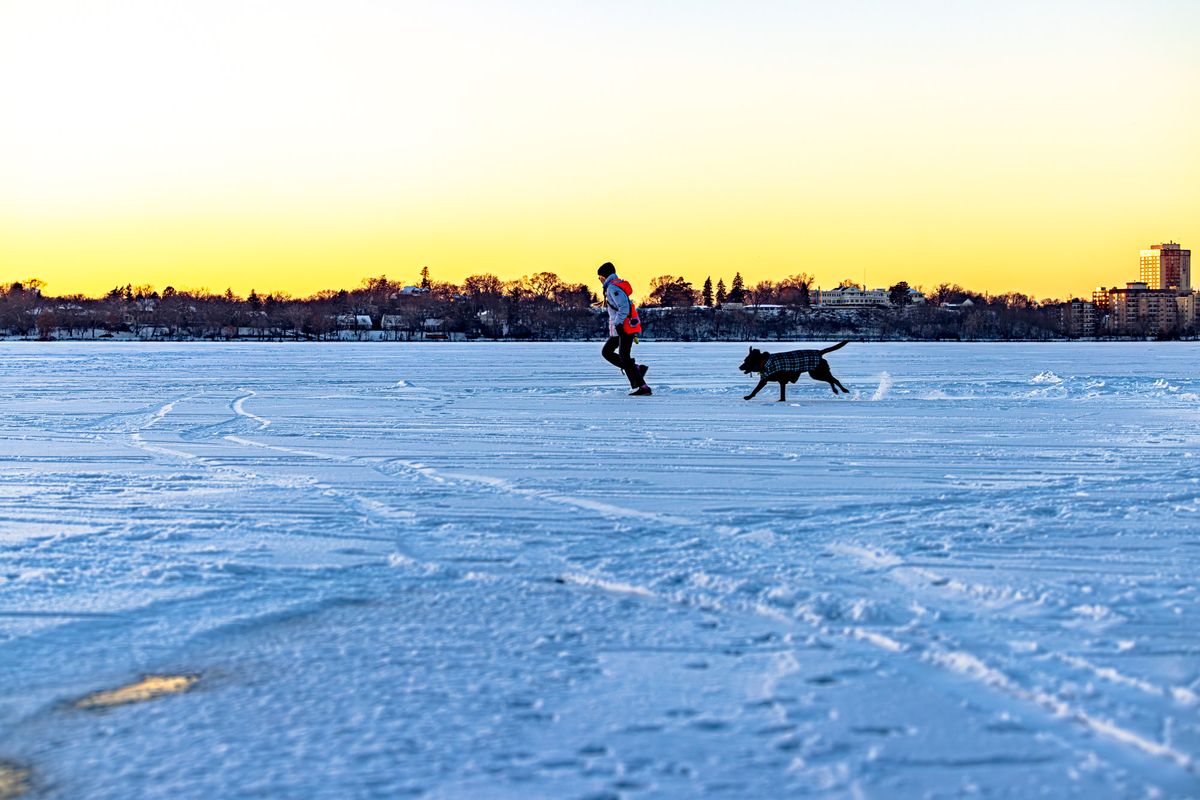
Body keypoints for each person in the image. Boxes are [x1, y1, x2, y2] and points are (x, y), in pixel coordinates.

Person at [598, 262, 651, 396]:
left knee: (624, 357)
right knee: (607, 352)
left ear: (605, 276)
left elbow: (624, 307)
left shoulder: (612, 288)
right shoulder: (612, 286)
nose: (599, 279)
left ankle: (643, 387)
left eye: (600, 276)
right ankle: (637, 369)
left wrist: (618, 323)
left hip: (624, 327)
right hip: (620, 327)